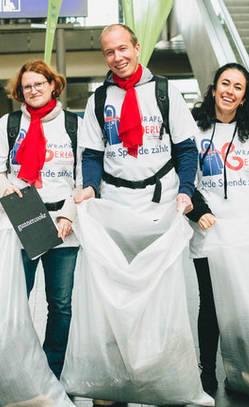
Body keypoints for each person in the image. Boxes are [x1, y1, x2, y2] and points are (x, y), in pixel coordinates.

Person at [74, 23, 199, 407]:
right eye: (109, 52)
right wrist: (91, 187)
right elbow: (92, 153)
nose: (118, 57)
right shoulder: (99, 99)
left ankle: (158, 373)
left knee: (159, 293)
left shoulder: (164, 91)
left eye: (123, 48)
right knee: (113, 292)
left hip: (159, 204)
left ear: (137, 46)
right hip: (113, 206)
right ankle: (115, 378)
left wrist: (186, 191)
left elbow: (187, 148)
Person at [0, 59, 80, 379]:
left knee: (61, 304)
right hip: (23, 220)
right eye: (27, 86)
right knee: (15, 299)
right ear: (20, 92)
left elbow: (84, 177)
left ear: (54, 85)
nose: (34, 90)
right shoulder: (9, 125)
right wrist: (6, 190)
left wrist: (69, 213)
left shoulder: (73, 125)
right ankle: (18, 364)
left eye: (40, 83)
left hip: (64, 224)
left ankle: (53, 369)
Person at [185, 63, 249, 392]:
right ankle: (206, 371)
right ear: (213, 90)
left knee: (246, 304)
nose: (230, 91)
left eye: (238, 87)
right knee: (210, 305)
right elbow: (184, 181)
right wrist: (200, 213)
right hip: (210, 233)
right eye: (225, 84)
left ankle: (243, 370)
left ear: (243, 97)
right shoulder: (193, 130)